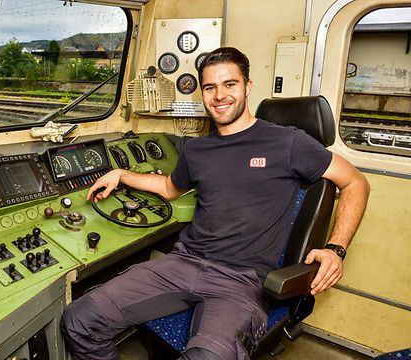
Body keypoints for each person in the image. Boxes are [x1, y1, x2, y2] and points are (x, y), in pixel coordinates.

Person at [60, 47, 370, 360]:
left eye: (229, 84)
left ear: (247, 86)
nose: (219, 95)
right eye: (210, 87)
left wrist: (336, 248)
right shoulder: (197, 151)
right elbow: (169, 188)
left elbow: (356, 182)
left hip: (241, 281)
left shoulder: (288, 143)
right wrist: (121, 174)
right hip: (182, 264)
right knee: (79, 321)